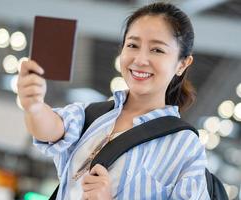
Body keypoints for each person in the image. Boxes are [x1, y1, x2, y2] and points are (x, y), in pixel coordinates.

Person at [17, 2, 210, 200]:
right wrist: (34, 106)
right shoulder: (93, 115)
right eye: (133, 45)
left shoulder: (183, 145)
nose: (140, 59)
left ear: (183, 64)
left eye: (157, 50)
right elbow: (50, 128)